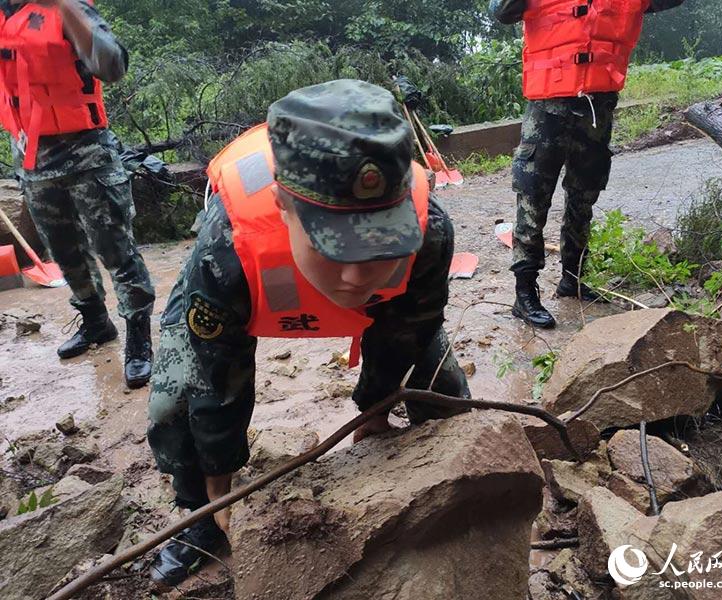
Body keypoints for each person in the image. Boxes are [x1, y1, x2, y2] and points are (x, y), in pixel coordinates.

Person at [146, 79, 470, 587]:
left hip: (388, 319)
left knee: (441, 391)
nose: (360, 276)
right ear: (282, 205)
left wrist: (377, 407)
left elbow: (410, 331)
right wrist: (217, 484)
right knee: (177, 402)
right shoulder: (225, 249)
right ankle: (194, 520)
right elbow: (217, 375)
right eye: (337, 246)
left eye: (382, 243)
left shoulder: (430, 234)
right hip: (251, 283)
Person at [491, 0, 685, 328]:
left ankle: (573, 280)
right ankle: (524, 295)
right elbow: (501, 11)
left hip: (598, 109)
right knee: (532, 200)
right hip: (547, 111)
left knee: (584, 199)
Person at [0, 0, 155, 387]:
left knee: (117, 251)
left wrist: (66, 7)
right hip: (33, 157)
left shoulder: (67, 9)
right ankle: (96, 323)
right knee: (65, 254)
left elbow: (112, 65)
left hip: (89, 153)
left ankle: (139, 339)